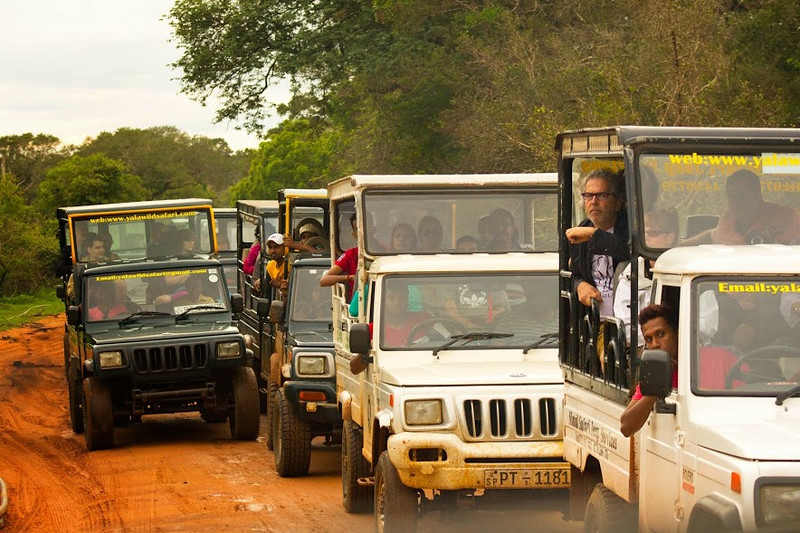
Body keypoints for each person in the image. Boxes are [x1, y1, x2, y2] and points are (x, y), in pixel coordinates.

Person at [566, 169, 628, 317]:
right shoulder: (582, 229)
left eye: (602, 195)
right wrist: (578, 285)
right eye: (588, 196)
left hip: (628, 321)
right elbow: (570, 273)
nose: (594, 201)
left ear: (618, 203)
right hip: (594, 321)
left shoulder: (630, 227)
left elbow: (629, 252)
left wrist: (594, 235)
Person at [613, 208, 679, 347]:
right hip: (643, 350)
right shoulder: (631, 274)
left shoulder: (689, 270)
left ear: (670, 237)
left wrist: (673, 340)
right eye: (644, 232)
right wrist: (656, 339)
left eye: (653, 232)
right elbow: (626, 329)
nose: (646, 237)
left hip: (685, 349)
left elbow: (706, 325)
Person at [690, 169, 800, 245]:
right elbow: (710, 235)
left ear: (758, 195)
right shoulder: (727, 220)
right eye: (731, 196)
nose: (736, 202)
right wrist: (677, 246)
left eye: (741, 196)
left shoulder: (788, 217)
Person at [620, 304, 679, 437]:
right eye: (649, 339)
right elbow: (626, 427)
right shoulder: (655, 372)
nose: (655, 344)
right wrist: (654, 390)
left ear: (677, 333)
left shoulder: (714, 358)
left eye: (661, 334)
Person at [320, 213, 358, 300]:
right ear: (354, 235)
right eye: (358, 229)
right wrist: (349, 277)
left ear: (373, 229)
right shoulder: (350, 255)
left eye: (366, 227)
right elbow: (323, 280)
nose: (362, 231)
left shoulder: (384, 250)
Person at [67, 233, 108, 300]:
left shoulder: (111, 264)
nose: (102, 250)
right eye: (98, 248)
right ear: (89, 249)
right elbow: (71, 292)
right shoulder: (81, 268)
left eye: (103, 247)